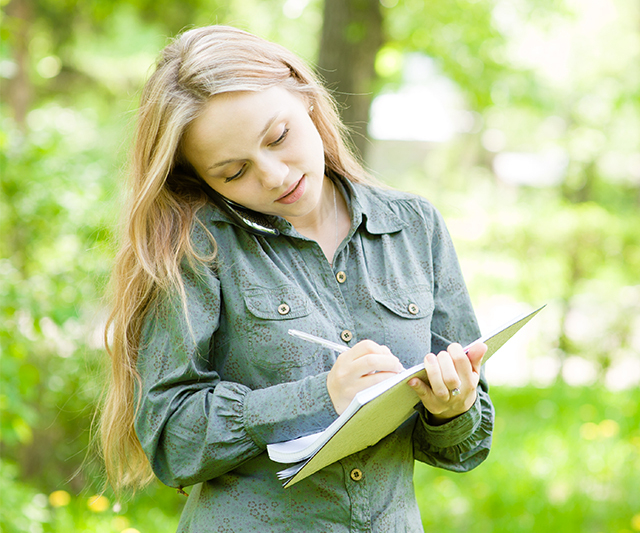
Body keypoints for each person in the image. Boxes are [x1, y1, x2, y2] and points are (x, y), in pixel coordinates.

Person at [100, 24, 494, 532]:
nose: (275, 176)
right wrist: (321, 397)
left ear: (305, 95)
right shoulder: (195, 249)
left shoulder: (414, 227)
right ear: (197, 177)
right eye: (233, 171)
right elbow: (172, 441)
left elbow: (466, 447)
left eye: (279, 137)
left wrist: (452, 408)